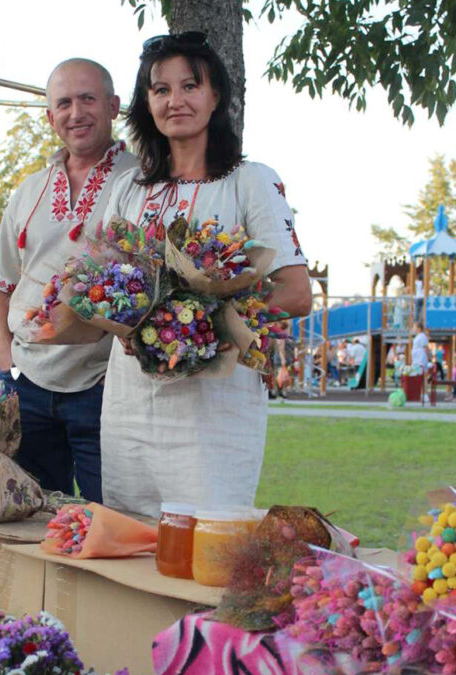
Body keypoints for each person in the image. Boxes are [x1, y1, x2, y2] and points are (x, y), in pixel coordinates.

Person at [99, 33, 310, 516]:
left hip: (214, 412)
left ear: (215, 97)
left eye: (190, 86)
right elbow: (105, 286)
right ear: (146, 102)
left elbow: (296, 294)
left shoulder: (249, 180)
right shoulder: (129, 188)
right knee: (131, 542)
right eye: (161, 90)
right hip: (129, 406)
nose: (176, 101)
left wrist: (197, 323)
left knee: (203, 546)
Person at [0, 59, 137, 502]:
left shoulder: (142, 182)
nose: (76, 112)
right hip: (28, 388)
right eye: (64, 103)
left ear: (113, 106)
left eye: (88, 99)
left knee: (111, 521)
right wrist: (9, 363)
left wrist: (122, 371)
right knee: (34, 522)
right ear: (50, 117)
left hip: (104, 391)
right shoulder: (29, 190)